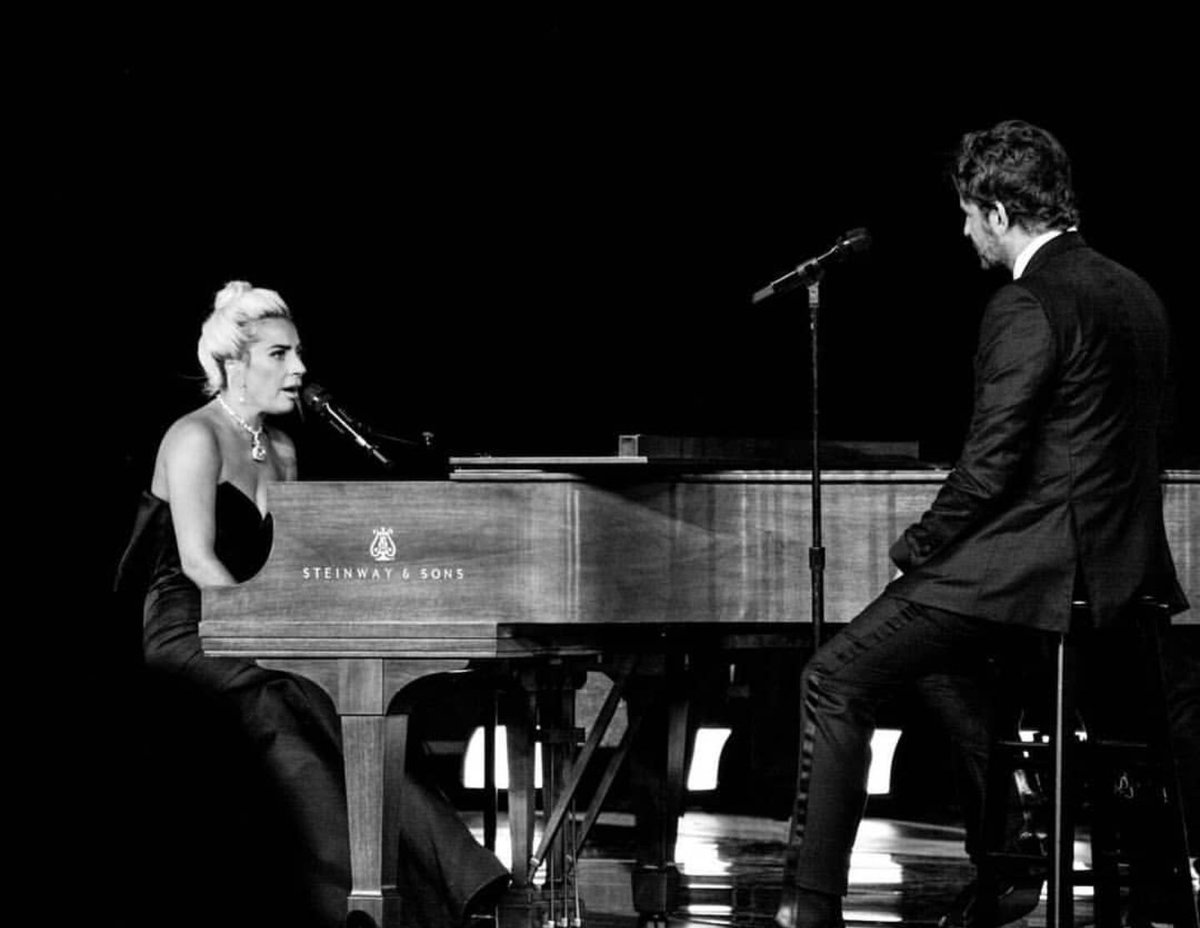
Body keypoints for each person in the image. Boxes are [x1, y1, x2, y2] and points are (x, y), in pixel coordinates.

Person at [774, 120, 1190, 928]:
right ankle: (1005, 860)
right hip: (1119, 577)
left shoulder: (1026, 303)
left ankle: (809, 905)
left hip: (1035, 575)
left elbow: (990, 466)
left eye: (969, 215)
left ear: (999, 212)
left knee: (834, 676)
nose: (966, 232)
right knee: (937, 666)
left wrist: (917, 549)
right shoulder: (1138, 293)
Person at [116, 281, 509, 928]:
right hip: (191, 627)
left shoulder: (284, 449)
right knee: (283, 700)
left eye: (297, 352)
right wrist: (275, 640)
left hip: (258, 625)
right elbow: (198, 562)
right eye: (280, 354)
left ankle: (430, 890)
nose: (299, 369)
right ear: (233, 363)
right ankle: (356, 901)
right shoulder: (193, 437)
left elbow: (289, 562)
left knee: (352, 697)